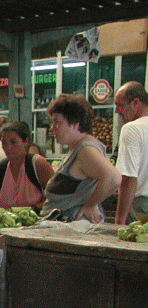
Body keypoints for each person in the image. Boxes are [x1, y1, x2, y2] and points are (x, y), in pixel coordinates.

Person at [41, 93, 121, 222]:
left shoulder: (86, 149)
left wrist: (90, 205)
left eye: (57, 122)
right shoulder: (77, 146)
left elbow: (113, 178)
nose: (53, 128)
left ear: (75, 123)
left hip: (75, 223)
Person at [0, 121, 54, 211]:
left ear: (26, 141)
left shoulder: (38, 164)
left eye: (13, 142)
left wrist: (34, 210)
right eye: (4, 143)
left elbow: (55, 196)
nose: (8, 147)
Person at [113, 81, 148, 224]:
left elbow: (128, 179)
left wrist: (119, 221)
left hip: (139, 208)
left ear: (136, 103)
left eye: (120, 105)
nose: (117, 111)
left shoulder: (132, 129)